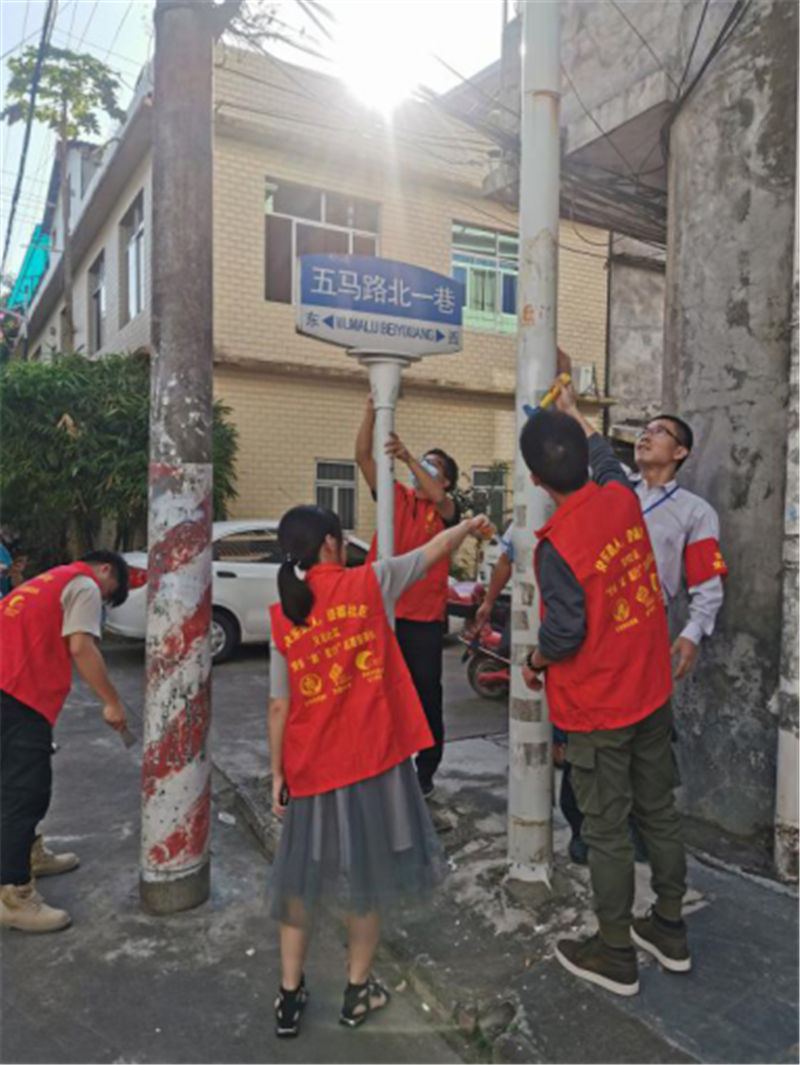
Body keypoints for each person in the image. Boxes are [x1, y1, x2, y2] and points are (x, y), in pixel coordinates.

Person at [267, 504, 490, 1036]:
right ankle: (357, 992)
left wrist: (278, 774)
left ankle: (289, 997)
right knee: (366, 877)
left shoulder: (286, 613)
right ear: (329, 543)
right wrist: (466, 526)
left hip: (312, 766)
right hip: (374, 760)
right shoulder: (368, 583)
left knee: (299, 881)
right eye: (341, 537)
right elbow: (430, 553)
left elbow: (279, 704)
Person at [519, 409, 688, 997]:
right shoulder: (621, 497)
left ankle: (616, 952)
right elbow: (605, 460)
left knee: (608, 831)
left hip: (600, 710)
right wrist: (580, 418)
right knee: (659, 810)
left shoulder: (557, 546)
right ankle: (669, 928)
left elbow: (564, 635)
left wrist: (534, 661)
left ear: (536, 480)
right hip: (651, 692)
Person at [553, 383, 728, 861]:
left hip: (644, 630)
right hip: (591, 624)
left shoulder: (694, 512)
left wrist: (692, 634)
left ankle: (635, 834)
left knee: (641, 732)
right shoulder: (613, 490)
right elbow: (591, 454)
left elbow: (706, 582)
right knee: (583, 729)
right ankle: (584, 830)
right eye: (644, 430)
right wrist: (570, 411)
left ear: (681, 451)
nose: (646, 436)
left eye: (660, 432)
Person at [0, 550, 130, 933]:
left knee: (11, 785)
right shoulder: (84, 585)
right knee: (25, 792)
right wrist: (112, 702)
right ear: (105, 570)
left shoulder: (49, 579)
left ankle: (26, 855)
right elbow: (81, 646)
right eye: (109, 594)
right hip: (18, 693)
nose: (102, 602)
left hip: (7, 685)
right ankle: (13, 895)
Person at [355, 396, 460, 798]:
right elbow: (363, 456)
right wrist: (371, 411)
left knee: (426, 696)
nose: (425, 471)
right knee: (376, 693)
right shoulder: (395, 498)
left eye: (435, 467)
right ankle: (379, 763)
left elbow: (440, 500)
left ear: (446, 480)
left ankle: (425, 770)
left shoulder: (446, 510)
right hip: (381, 614)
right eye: (424, 464)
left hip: (423, 622)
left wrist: (410, 457)